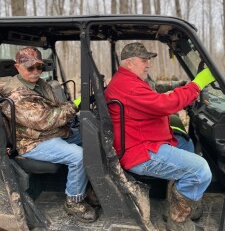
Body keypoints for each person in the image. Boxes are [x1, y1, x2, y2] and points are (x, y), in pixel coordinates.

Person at [104, 42, 215, 231]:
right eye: (144, 60)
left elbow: (153, 100)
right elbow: (164, 105)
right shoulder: (128, 85)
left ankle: (182, 201)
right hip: (139, 152)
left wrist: (177, 91)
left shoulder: (131, 80)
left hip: (143, 140)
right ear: (130, 63)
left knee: (185, 143)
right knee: (201, 170)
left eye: (149, 60)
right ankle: (177, 220)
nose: (148, 64)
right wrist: (196, 85)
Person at [0, 46, 97, 223]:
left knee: (93, 139)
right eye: (30, 67)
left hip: (53, 132)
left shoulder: (41, 85)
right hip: (32, 142)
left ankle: (92, 187)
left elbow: (59, 106)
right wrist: (76, 104)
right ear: (17, 67)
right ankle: (73, 201)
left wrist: (73, 107)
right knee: (79, 156)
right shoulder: (15, 94)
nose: (36, 71)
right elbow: (46, 120)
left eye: (39, 67)